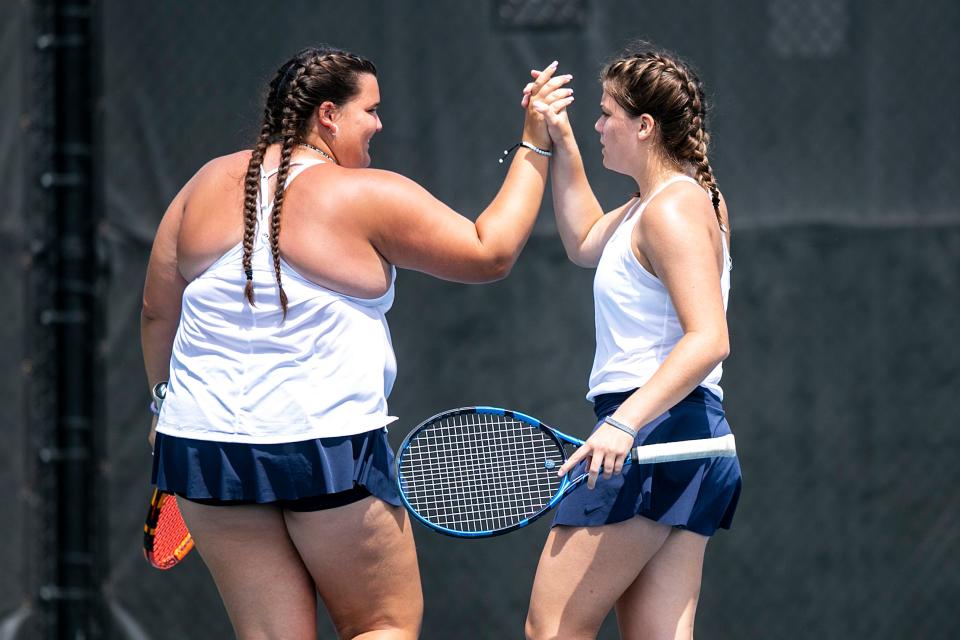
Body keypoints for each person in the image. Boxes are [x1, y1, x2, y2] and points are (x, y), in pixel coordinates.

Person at [140, 45, 573, 640]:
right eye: (370, 109)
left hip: (200, 449)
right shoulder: (363, 192)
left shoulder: (200, 186)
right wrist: (535, 142)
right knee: (383, 623)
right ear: (327, 115)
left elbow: (155, 313)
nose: (379, 124)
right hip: (321, 446)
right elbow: (488, 251)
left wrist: (161, 410)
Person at [521, 42, 742, 640]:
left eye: (605, 114)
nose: (597, 124)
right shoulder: (657, 204)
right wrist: (562, 140)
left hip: (654, 435)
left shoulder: (672, 209)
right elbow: (583, 240)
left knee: (552, 628)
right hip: (685, 441)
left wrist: (623, 424)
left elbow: (708, 339)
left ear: (644, 126)